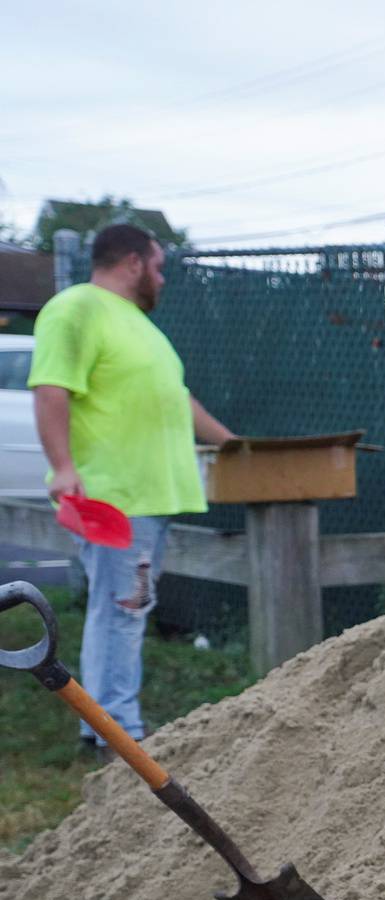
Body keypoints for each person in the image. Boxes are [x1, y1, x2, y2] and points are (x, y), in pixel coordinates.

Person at [28, 223, 234, 749]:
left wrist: (234, 443)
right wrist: (64, 466)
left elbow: (177, 398)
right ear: (135, 263)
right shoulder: (77, 308)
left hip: (152, 496)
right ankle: (115, 735)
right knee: (121, 611)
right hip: (114, 498)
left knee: (127, 610)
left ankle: (109, 728)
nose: (162, 279)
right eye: (159, 267)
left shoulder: (138, 325)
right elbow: (51, 387)